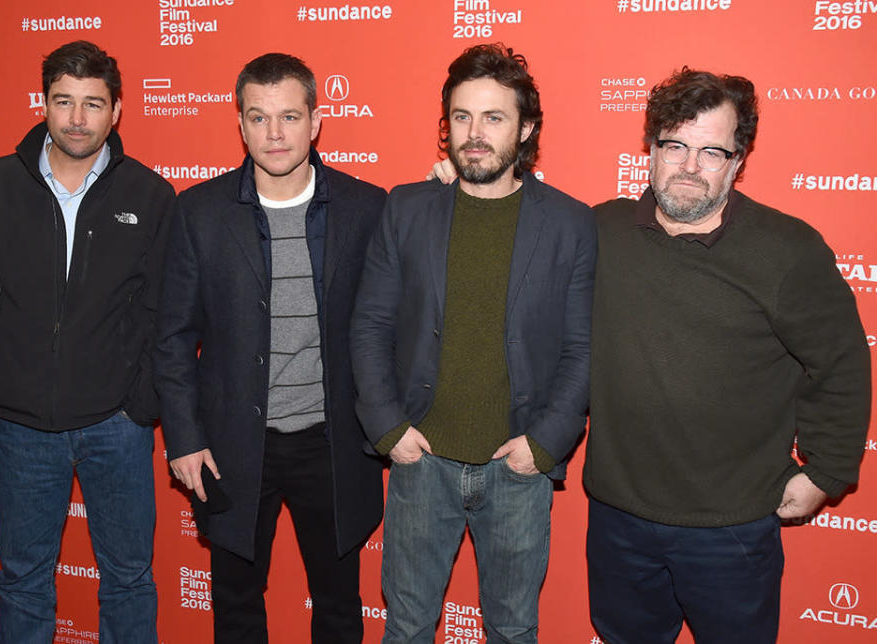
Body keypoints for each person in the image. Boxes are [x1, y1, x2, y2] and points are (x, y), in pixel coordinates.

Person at [584, 68, 871, 643]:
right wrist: (452, 188)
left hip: (732, 528)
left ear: (738, 161)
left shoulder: (787, 251)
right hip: (618, 516)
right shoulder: (599, 230)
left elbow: (840, 365)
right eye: (675, 146)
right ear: (651, 149)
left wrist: (829, 471)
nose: (689, 167)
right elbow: (517, 234)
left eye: (711, 151)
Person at [351, 43, 596, 643]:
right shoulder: (407, 209)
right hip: (421, 461)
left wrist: (542, 446)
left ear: (526, 127)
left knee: (513, 629)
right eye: (461, 117)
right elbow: (370, 324)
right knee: (406, 627)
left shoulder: (570, 224)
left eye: (493, 117)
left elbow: (583, 349)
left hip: (517, 469)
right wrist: (388, 429)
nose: (475, 134)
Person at [0, 40, 174, 643]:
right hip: (20, 426)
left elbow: (164, 312)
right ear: (43, 103)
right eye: (63, 101)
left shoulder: (149, 195)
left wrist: (139, 405)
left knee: (128, 578)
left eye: (92, 104)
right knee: (22, 582)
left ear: (117, 110)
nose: (76, 118)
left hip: (117, 427)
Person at [155, 53, 385, 643]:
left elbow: (394, 319)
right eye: (258, 117)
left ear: (315, 121)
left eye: (289, 116)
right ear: (240, 123)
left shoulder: (368, 209)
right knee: (235, 607)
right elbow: (173, 337)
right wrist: (184, 437)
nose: (274, 133)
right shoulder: (198, 213)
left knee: (338, 606)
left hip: (332, 444)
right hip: (232, 446)